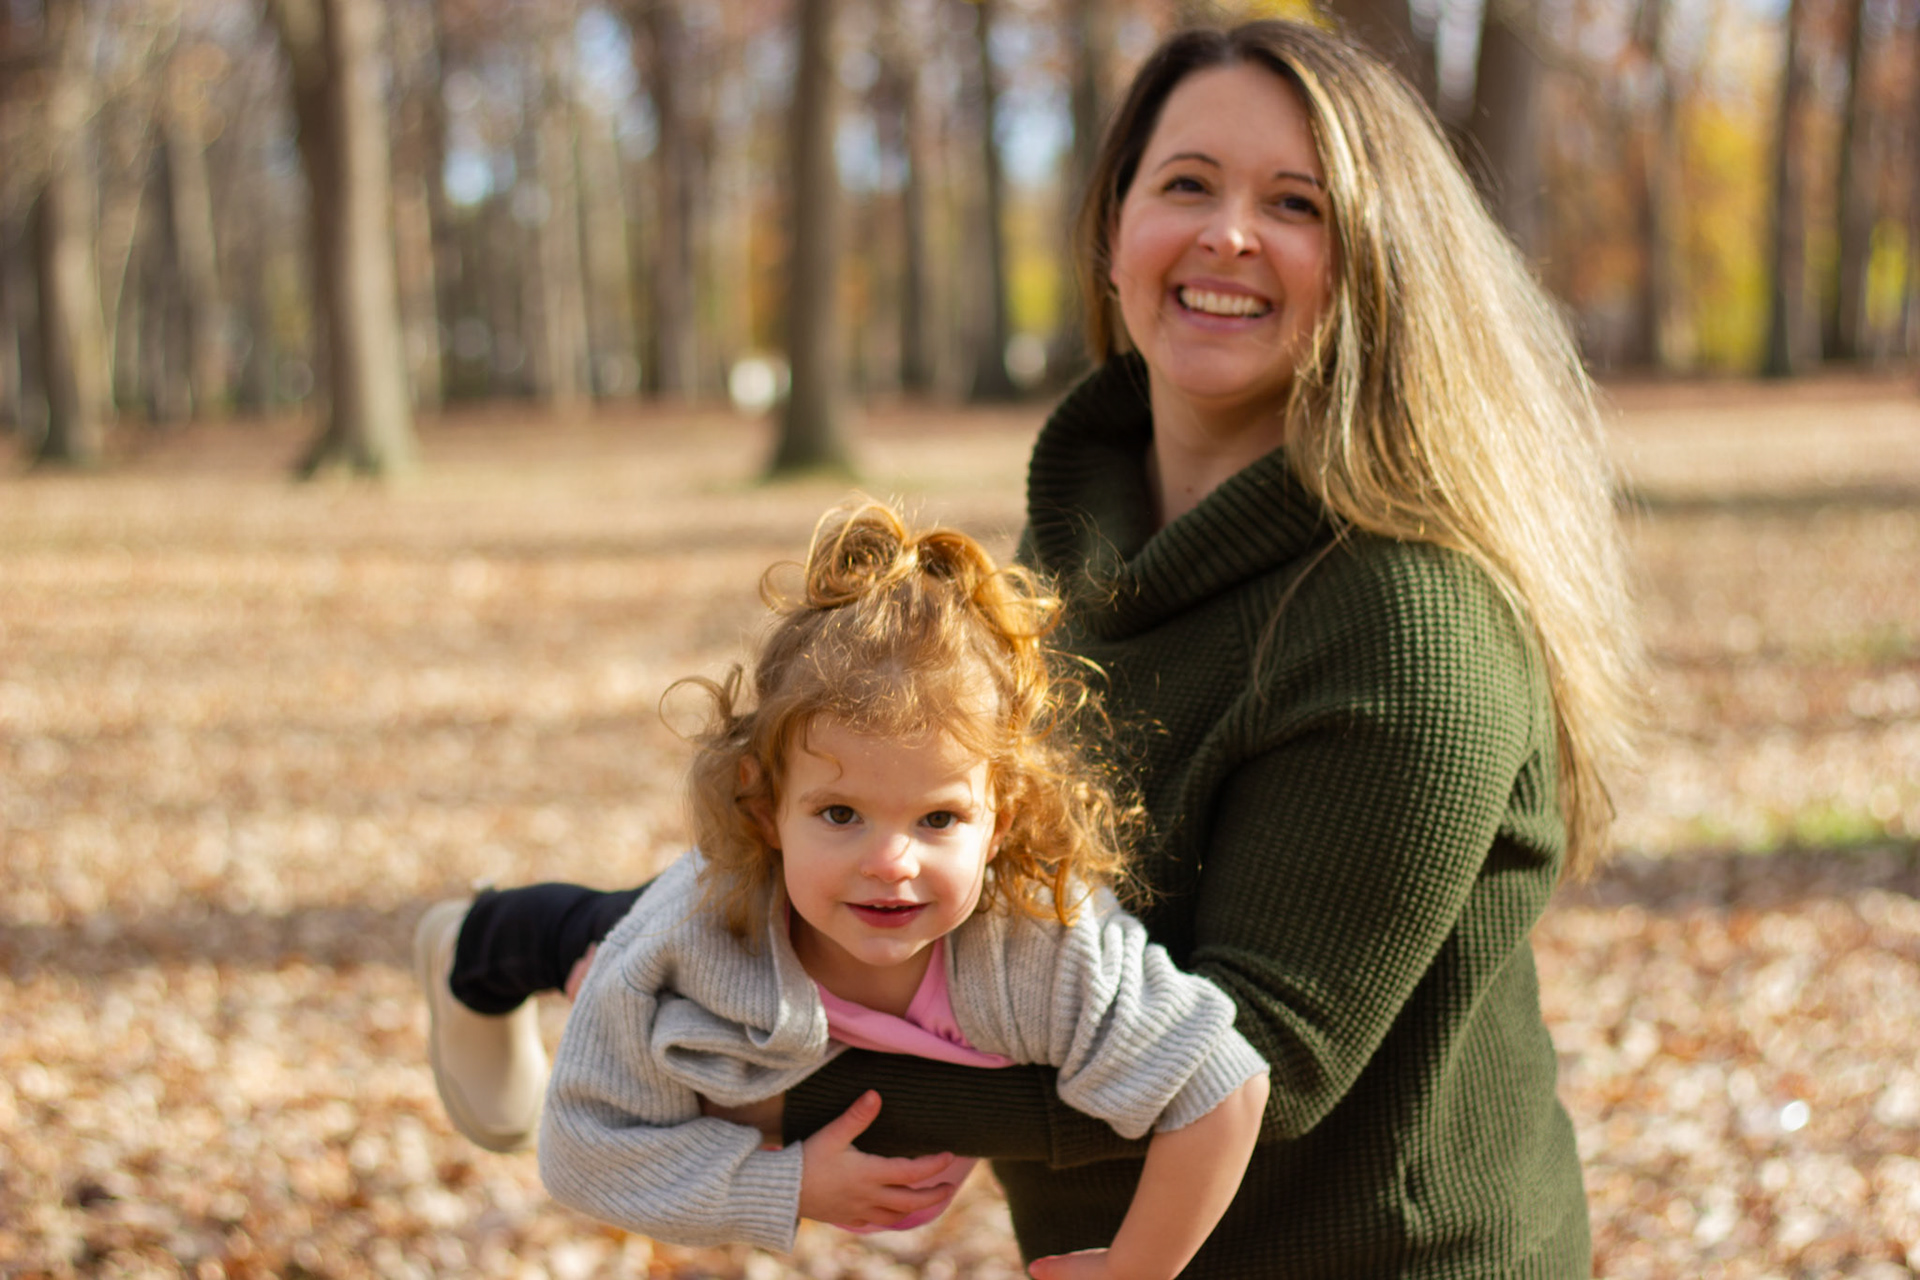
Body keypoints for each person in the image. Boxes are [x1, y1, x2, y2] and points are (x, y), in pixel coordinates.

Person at [415, 18, 1639, 1279]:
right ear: (1112, 232)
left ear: (1379, 261)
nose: (1229, 233)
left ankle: (515, 942)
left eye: (1295, 203)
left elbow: (1258, 1060)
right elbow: (925, 878)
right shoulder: (1066, 563)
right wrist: (681, 1023)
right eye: (1187, 184)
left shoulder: (1413, 625)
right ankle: (506, 942)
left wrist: (760, 1091)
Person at [454, 500, 1271, 1274]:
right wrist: (785, 1184)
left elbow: (1224, 1083)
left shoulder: (1045, 947)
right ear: (765, 807)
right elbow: (583, 1151)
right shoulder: (681, 945)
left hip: (811, 893)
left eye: (939, 818)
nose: (891, 861)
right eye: (841, 812)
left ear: (1003, 819)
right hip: (734, 910)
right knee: (576, 936)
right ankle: (471, 944)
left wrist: (1137, 1267)